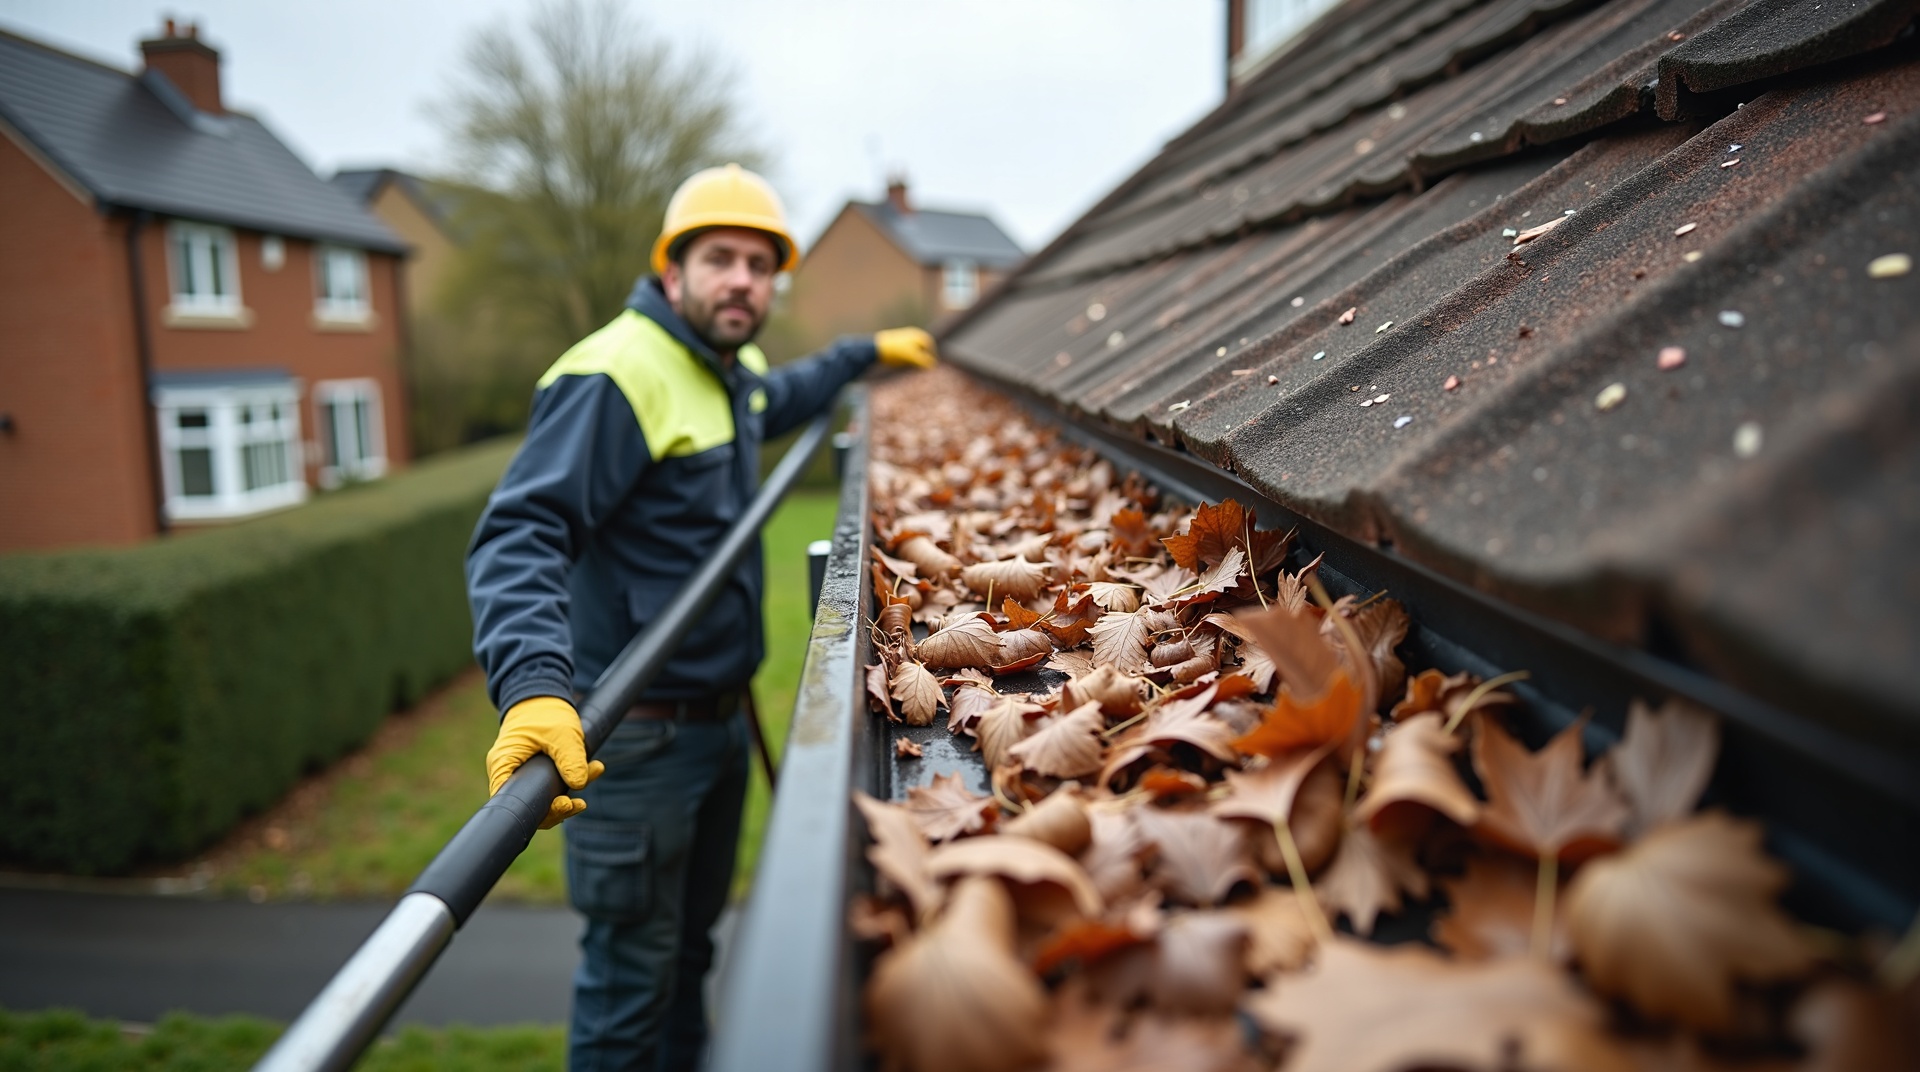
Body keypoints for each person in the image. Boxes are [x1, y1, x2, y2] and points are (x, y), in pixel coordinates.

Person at [465, 163, 936, 1071]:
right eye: (719, 259)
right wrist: (532, 687)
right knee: (628, 996)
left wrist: (862, 353)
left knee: (692, 962)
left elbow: (780, 397)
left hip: (716, 727)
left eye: (761, 266)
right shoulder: (614, 374)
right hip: (632, 744)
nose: (742, 282)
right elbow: (520, 531)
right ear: (671, 270)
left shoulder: (729, 367)